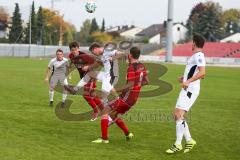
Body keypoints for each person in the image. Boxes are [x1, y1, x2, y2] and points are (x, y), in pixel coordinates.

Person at [91, 46, 149, 143]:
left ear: (130, 55)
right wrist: (137, 87)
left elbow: (130, 84)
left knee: (105, 112)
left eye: (128, 54)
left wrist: (116, 90)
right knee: (113, 115)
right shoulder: (141, 66)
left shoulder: (131, 67)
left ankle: (104, 139)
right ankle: (127, 133)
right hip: (132, 98)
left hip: (127, 98)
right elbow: (146, 81)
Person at [166, 34, 206, 154]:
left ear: (194, 43)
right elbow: (196, 73)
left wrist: (187, 81)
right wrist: (184, 78)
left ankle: (178, 144)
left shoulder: (199, 55)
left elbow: (202, 73)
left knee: (178, 114)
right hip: (188, 88)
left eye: (192, 42)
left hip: (190, 89)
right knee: (178, 115)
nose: (191, 44)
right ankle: (189, 140)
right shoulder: (196, 56)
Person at [67, 41, 104, 121]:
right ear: (70, 51)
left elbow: (97, 63)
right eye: (72, 50)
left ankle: (96, 111)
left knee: (86, 94)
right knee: (92, 95)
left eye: (76, 49)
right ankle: (104, 109)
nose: (74, 51)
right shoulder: (71, 56)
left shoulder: (85, 56)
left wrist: (88, 67)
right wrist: (69, 72)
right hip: (84, 78)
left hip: (91, 76)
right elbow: (71, 64)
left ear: (78, 48)